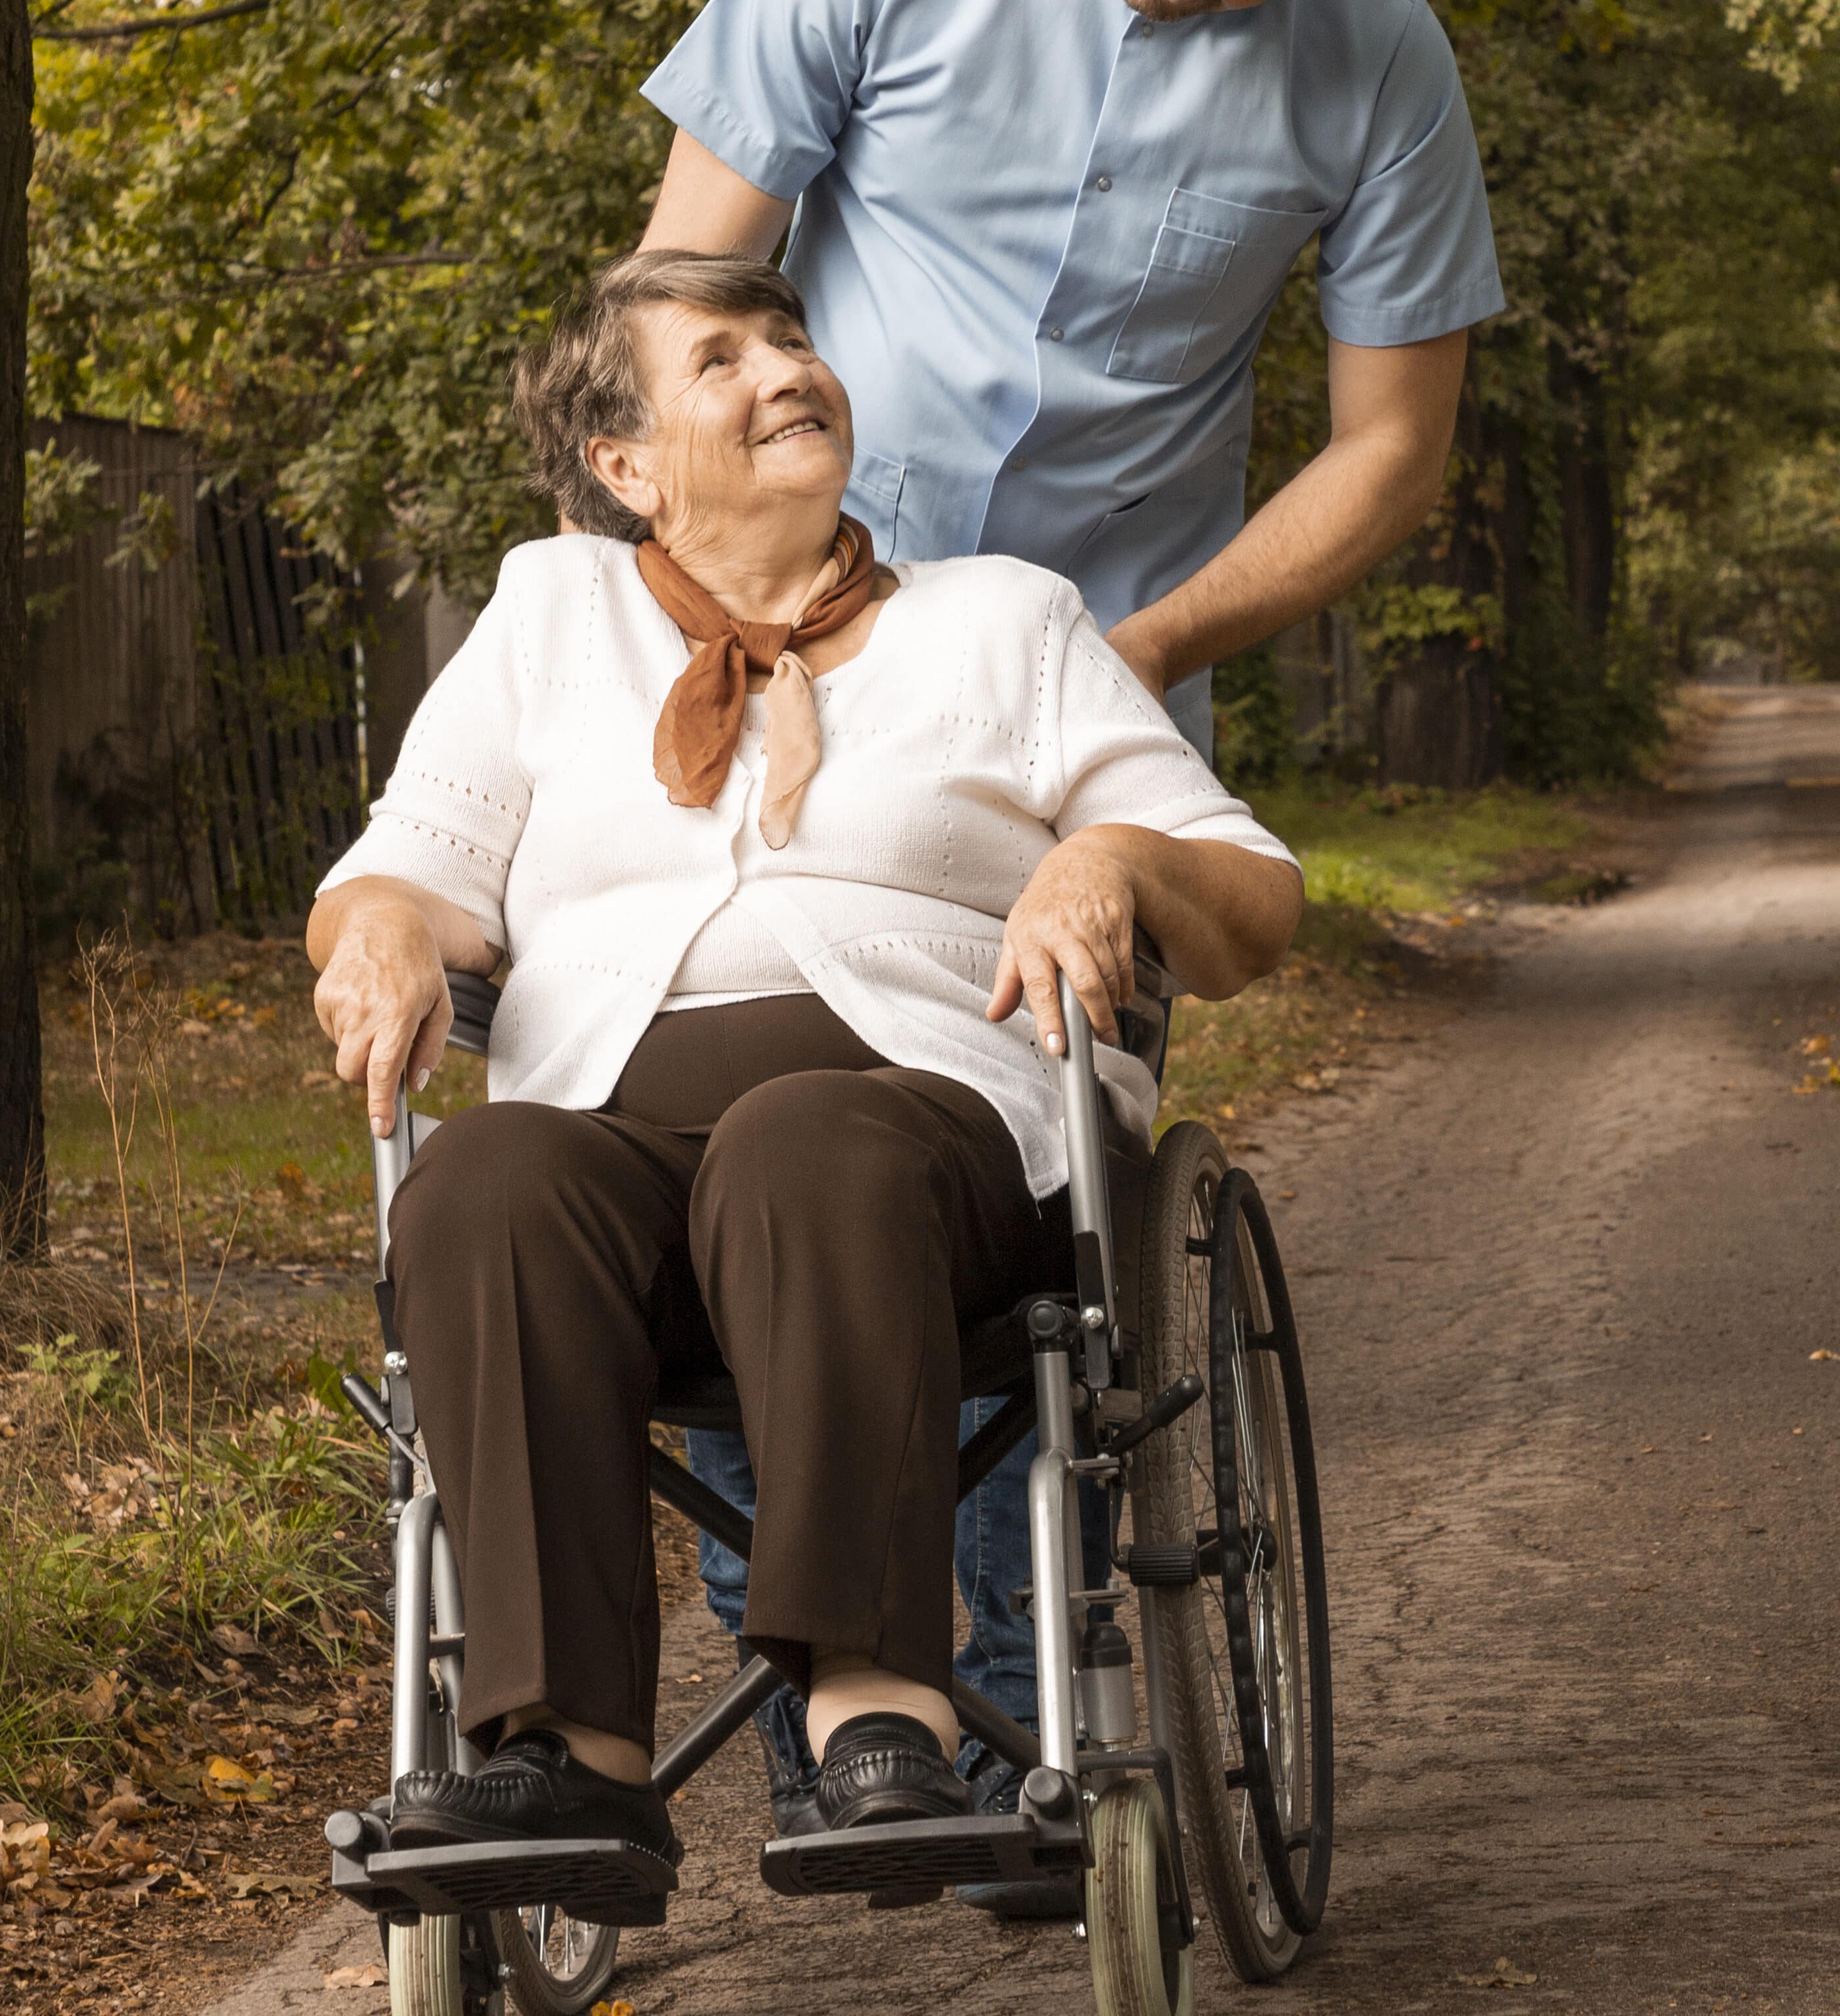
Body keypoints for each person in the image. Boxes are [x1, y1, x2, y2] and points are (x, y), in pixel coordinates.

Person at [636, 0, 1505, 1861]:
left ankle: (1042, 1736)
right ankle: (831, 1681)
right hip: (788, 642)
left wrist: (1112, 660)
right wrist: (671, 620)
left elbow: (1387, 449)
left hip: (1100, 669)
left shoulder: (1375, 59)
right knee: (742, 1127)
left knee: (1042, 1211)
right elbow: (685, 287)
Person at [307, 250, 1306, 1861]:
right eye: (722, 358)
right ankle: (570, 1750)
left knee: (804, 1140)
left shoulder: (1003, 619)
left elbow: (1250, 896)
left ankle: (875, 1707)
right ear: (623, 467)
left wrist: (1101, 864)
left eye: (791, 339)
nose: (785, 370)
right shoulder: (548, 616)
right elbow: (410, 858)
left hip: (928, 1146)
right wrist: (384, 931)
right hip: (611, 1167)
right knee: (481, 1174)